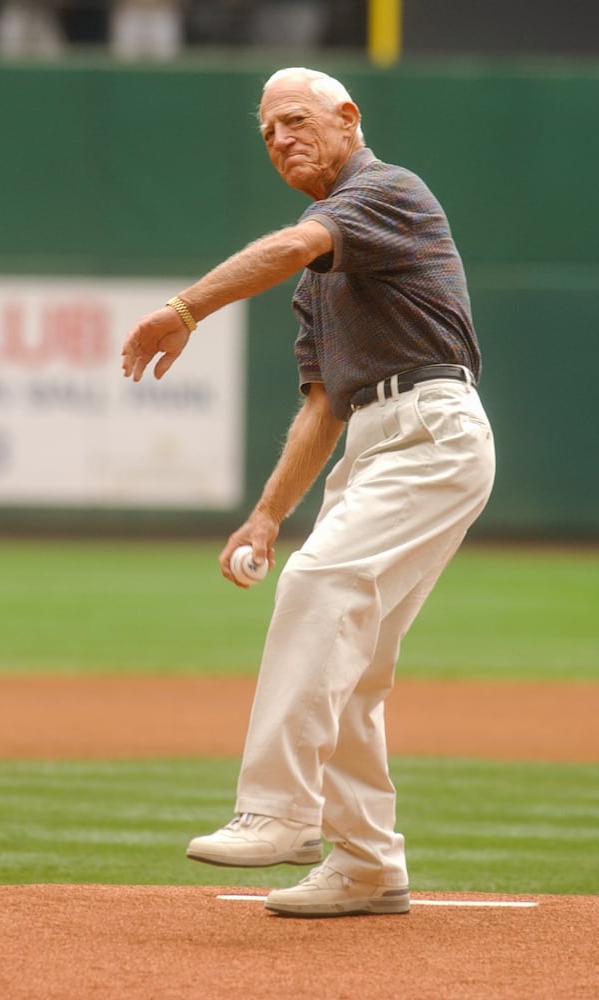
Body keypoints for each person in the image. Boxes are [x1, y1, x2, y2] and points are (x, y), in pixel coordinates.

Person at [121, 67, 495, 917]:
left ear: (347, 118)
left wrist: (183, 310)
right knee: (352, 664)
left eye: (295, 121)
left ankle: (283, 813)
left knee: (320, 584)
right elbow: (324, 405)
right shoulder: (320, 280)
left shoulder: (387, 191)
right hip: (374, 438)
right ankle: (367, 863)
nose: (280, 139)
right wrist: (265, 515)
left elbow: (291, 244)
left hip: (431, 427)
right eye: (267, 133)